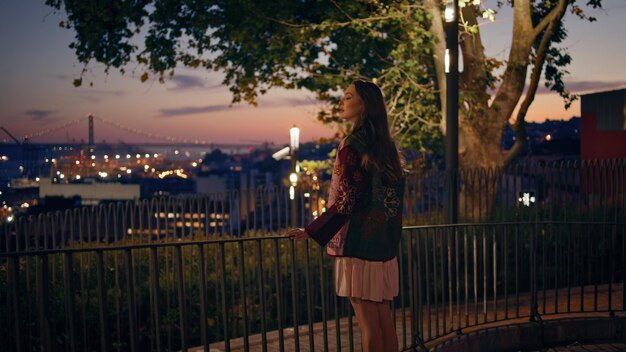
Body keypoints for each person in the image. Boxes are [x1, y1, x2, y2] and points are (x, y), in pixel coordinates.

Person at [287, 79, 405, 352]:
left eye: (349, 96)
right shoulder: (386, 146)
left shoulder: (352, 145)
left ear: (363, 105)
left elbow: (345, 201)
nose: (342, 100)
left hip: (358, 246)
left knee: (368, 325)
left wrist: (311, 231)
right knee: (383, 321)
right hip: (383, 247)